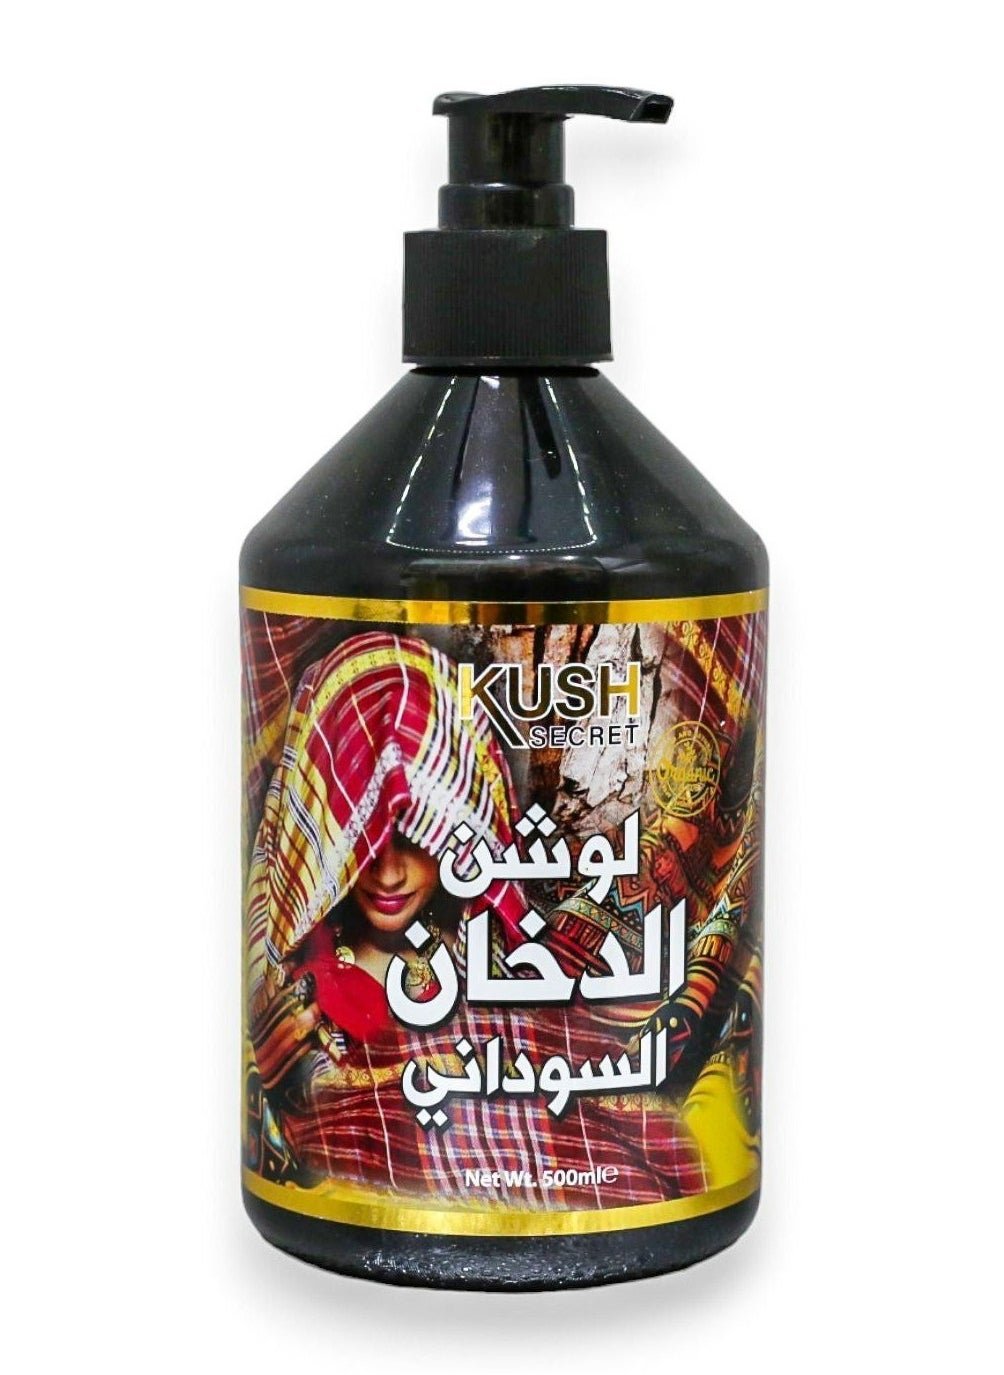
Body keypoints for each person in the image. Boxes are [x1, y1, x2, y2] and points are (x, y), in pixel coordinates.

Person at [243, 630, 710, 1209]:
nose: (388, 874)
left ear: (456, 829)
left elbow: (627, 1116)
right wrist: (288, 1080)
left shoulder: (514, 962)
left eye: (413, 839)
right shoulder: (291, 991)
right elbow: (314, 1148)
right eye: (361, 844)